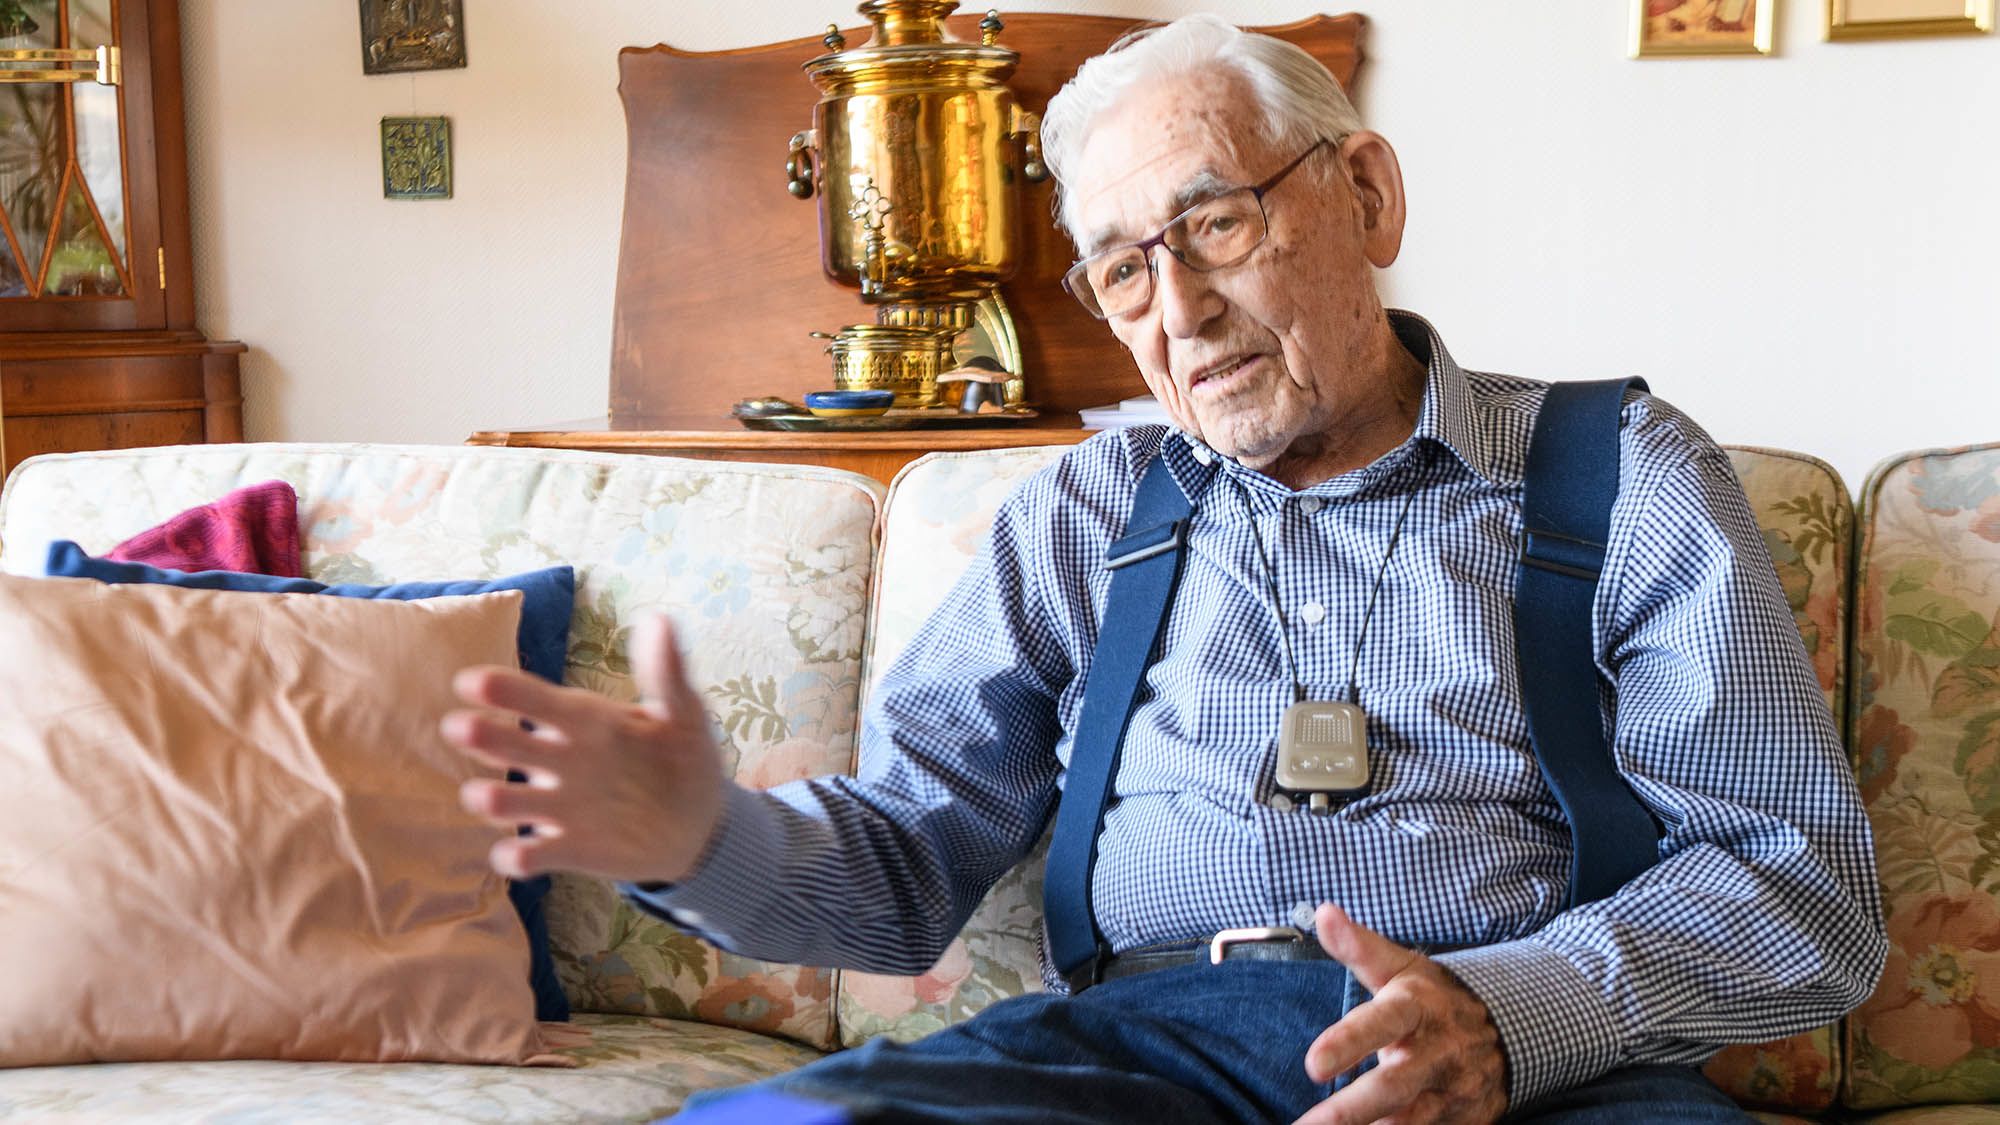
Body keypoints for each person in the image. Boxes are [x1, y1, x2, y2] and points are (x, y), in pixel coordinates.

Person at [441, 15, 1885, 1123]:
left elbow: (1799, 883)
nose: (1179, 310)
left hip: (1532, 1072)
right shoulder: (1084, 512)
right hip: (1138, 1058)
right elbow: (904, 864)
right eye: (1125, 268)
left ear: (1367, 197)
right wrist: (697, 837)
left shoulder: (1618, 472)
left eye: (1214, 224)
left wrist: (1507, 1017)